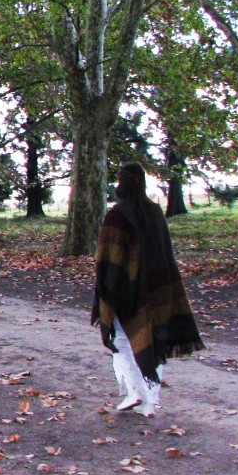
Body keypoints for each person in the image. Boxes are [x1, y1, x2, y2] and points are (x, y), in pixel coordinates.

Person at [92, 162, 204, 417]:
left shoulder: (116, 215)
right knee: (151, 342)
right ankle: (150, 401)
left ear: (122, 182)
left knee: (121, 341)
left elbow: (108, 258)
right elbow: (164, 254)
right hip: (157, 289)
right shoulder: (154, 212)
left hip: (125, 291)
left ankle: (134, 393)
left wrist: (106, 290)